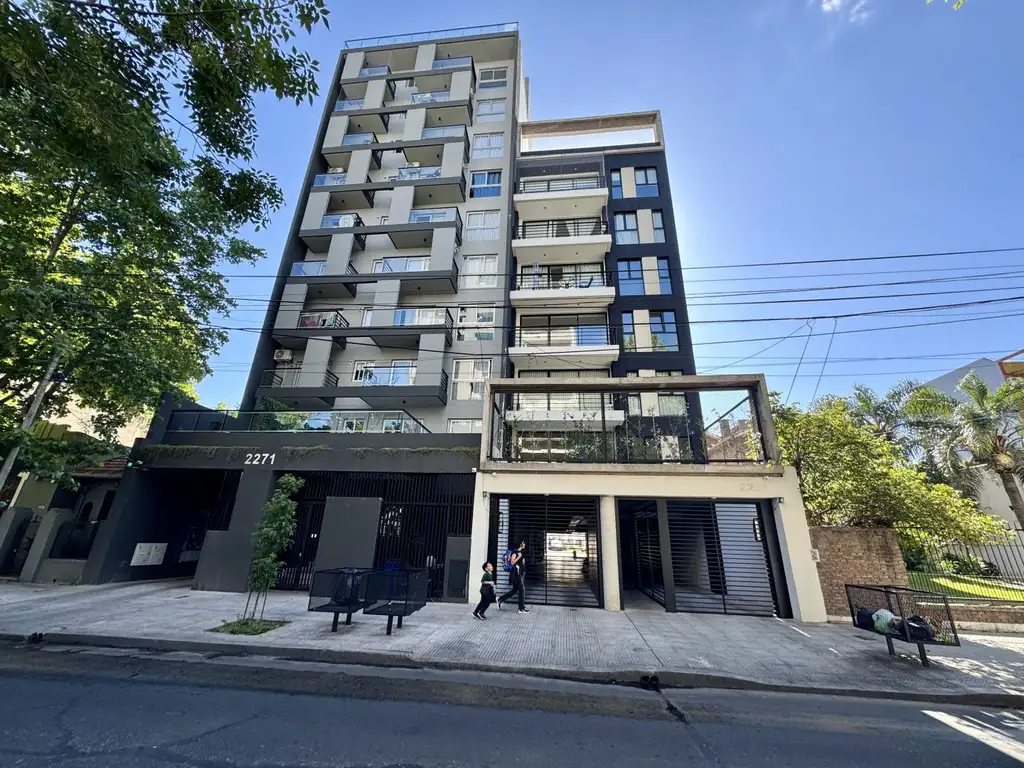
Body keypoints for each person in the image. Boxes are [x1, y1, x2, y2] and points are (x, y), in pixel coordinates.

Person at [499, 541, 530, 614]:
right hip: (516, 574)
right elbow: (512, 562)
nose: (524, 544)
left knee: (515, 590)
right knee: (522, 590)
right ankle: (521, 608)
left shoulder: (520, 552)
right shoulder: (515, 552)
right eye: (523, 543)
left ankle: (500, 599)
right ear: (520, 544)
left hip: (519, 574)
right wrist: (519, 556)